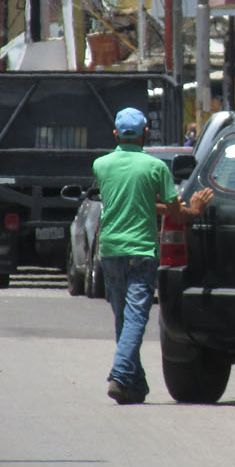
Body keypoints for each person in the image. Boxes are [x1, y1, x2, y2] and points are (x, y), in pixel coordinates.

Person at [91, 107, 213, 404]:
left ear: (116, 134)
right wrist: (195, 210)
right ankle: (120, 374)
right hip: (142, 251)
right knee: (134, 318)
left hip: (110, 251)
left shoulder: (101, 165)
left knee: (124, 318)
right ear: (146, 133)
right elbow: (176, 214)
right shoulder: (156, 168)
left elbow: (132, 203)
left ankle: (134, 385)